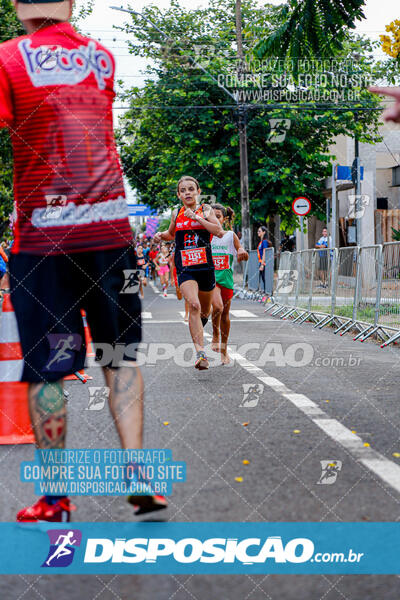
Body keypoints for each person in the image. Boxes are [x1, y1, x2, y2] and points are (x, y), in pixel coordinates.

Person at [1, 0, 167, 521]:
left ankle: (54, 496)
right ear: (71, 3)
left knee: (49, 368)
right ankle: (140, 478)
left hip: (45, 240)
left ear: (16, 4)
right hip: (112, 233)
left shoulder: (8, 59)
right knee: (120, 355)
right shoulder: (103, 58)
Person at [153, 176, 224, 369]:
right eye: (183, 190)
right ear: (179, 194)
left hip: (206, 267)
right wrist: (161, 236)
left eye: (191, 189)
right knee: (193, 305)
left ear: (198, 192)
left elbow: (218, 231)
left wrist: (198, 218)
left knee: (205, 311)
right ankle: (201, 354)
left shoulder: (206, 210)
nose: (187, 193)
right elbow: (171, 234)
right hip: (185, 268)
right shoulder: (177, 212)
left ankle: (205, 332)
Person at [210, 205, 248, 364]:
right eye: (210, 217)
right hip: (210, 280)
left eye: (217, 216)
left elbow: (241, 250)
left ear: (224, 219)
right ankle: (215, 335)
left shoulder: (230, 236)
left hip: (226, 280)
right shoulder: (205, 236)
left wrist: (241, 252)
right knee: (217, 307)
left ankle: (224, 351)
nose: (214, 220)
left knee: (224, 315)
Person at [257, 226, 270, 292]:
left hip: (263, 263)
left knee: (264, 278)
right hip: (261, 262)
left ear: (264, 232)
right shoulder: (261, 242)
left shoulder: (264, 242)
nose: (257, 232)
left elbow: (264, 252)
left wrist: (262, 264)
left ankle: (267, 293)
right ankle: (265, 292)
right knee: (262, 278)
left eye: (259, 231)